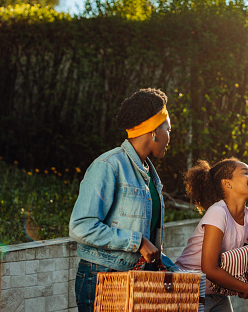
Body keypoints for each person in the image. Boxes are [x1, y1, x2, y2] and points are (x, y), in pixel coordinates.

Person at [69, 88, 178, 311]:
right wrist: (136, 242)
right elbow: (81, 226)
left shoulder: (149, 176)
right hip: (103, 280)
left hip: (136, 279)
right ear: (153, 131)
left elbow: (149, 242)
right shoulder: (108, 166)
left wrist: (172, 269)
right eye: (168, 127)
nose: (170, 135)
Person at [176, 158, 248, 312]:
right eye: (245, 173)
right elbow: (209, 269)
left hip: (218, 292)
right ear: (227, 183)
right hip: (188, 289)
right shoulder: (218, 212)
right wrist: (245, 287)